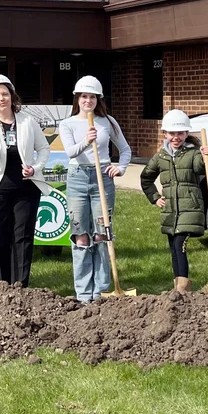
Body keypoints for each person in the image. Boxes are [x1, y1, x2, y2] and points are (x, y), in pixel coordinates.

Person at [59, 75, 132, 303]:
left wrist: (120, 168)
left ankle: (101, 290)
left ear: (98, 99)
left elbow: (125, 149)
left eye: (92, 97)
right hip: (78, 177)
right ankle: (83, 293)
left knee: (101, 233)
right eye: (83, 96)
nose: (87, 101)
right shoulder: (67, 123)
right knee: (81, 235)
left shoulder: (107, 121)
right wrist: (86, 140)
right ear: (77, 98)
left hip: (102, 175)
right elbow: (70, 152)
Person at [0, 74, 52, 287]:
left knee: (23, 235)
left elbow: (44, 148)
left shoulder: (28, 121)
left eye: (5, 94)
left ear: (12, 95)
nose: (1, 99)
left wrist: (35, 168)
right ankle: (1, 282)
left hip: (25, 188)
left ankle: (20, 283)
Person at [140, 110, 208, 292]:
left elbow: (201, 169)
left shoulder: (194, 152)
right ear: (165, 134)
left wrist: (207, 157)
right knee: (173, 247)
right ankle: (177, 287)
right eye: (172, 133)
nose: (176, 137)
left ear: (187, 134)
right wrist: (155, 198)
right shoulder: (161, 157)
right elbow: (146, 178)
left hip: (190, 209)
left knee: (180, 245)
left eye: (180, 133)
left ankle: (183, 286)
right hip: (170, 211)